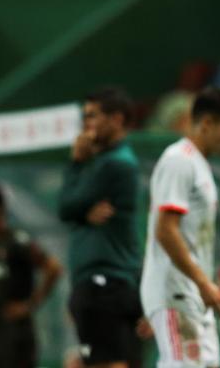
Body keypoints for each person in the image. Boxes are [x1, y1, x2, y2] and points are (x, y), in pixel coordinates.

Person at [140, 86, 220, 368]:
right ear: (207, 123)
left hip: (191, 291)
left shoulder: (197, 164)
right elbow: (165, 230)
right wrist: (203, 282)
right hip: (177, 290)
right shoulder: (179, 161)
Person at [58, 87, 148, 368]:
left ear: (117, 119)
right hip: (111, 281)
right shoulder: (103, 163)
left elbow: (65, 206)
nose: (87, 124)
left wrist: (75, 163)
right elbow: (73, 208)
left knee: (105, 361)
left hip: (104, 282)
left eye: (93, 116)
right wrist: (83, 215)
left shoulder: (113, 164)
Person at [0, 182, 62, 367]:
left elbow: (54, 269)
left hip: (14, 334)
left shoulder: (17, 240)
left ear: (0, 208)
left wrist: (31, 304)